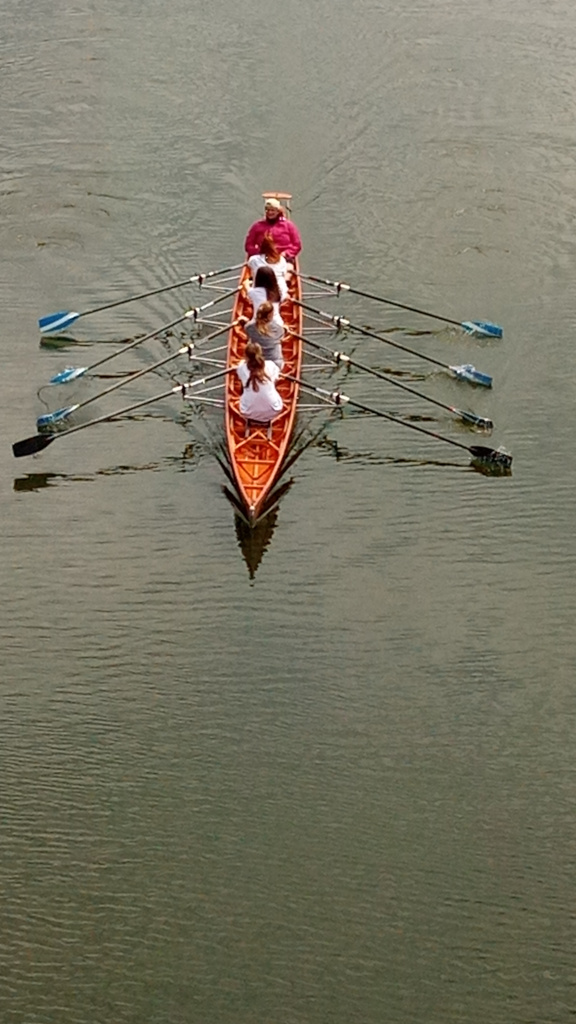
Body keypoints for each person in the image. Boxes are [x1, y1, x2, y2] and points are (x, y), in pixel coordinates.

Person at [236, 340, 284, 422]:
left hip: (247, 411)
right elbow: (276, 379)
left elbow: (242, 372)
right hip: (274, 410)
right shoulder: (270, 365)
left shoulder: (241, 368)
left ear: (246, 356)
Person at [244, 197, 302, 262]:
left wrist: (286, 254)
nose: (270, 212)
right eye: (267, 210)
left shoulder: (289, 225)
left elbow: (297, 245)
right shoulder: (257, 226)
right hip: (262, 258)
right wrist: (258, 253)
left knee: (288, 271)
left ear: (278, 211)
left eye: (272, 210)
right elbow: (248, 245)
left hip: (283, 258)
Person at [243, 301, 284, 368]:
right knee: (278, 344)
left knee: (250, 342)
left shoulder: (249, 327)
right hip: (275, 364)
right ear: (270, 315)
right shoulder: (278, 328)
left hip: (256, 363)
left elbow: (247, 329)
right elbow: (282, 336)